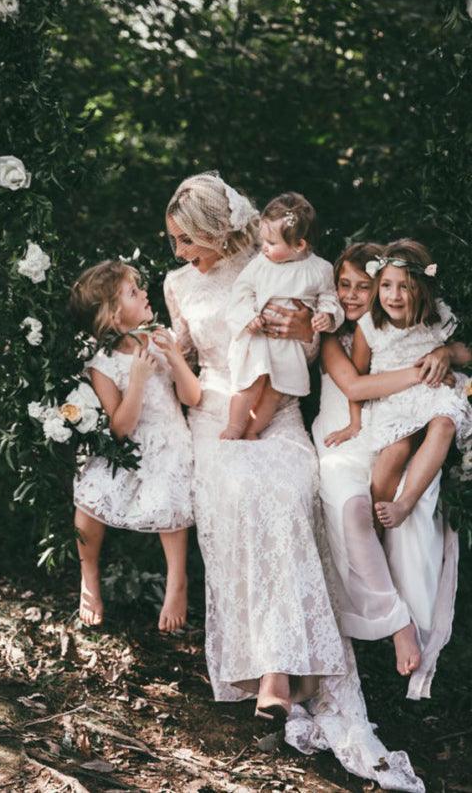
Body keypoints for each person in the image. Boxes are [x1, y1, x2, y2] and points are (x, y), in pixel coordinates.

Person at [164, 172, 423, 791]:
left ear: (215, 231)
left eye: (186, 240)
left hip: (278, 411)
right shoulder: (175, 285)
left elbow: (317, 347)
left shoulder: (278, 260)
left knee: (284, 496)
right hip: (214, 415)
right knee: (240, 495)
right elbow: (178, 353)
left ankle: (282, 671)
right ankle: (270, 668)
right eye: (173, 241)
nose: (178, 253)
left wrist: (304, 330)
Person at [313, 241, 467, 695]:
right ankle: (391, 620)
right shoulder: (337, 336)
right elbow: (357, 386)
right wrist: (429, 364)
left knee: (401, 471)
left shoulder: (417, 319)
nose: (356, 295)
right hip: (349, 432)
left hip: (396, 418)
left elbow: (455, 350)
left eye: (366, 286)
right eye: (346, 285)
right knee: (357, 506)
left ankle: (408, 620)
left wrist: (446, 354)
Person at [69, 259, 201, 632]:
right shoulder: (103, 364)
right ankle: (88, 575)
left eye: (139, 288)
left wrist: (173, 356)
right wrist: (138, 380)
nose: (144, 293)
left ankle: (177, 582)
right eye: (132, 292)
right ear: (114, 316)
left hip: (169, 442)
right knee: (88, 501)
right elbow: (120, 429)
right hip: (127, 450)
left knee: (170, 500)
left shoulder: (162, 338)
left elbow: (192, 396)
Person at [349, 239, 472, 530]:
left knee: (444, 424)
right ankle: (373, 530)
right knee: (396, 450)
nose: (394, 295)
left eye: (405, 286)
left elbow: (467, 350)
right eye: (387, 285)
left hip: (433, 394)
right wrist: (353, 422)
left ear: (422, 288)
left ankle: (405, 502)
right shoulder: (369, 328)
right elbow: (357, 381)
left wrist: (446, 352)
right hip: (393, 400)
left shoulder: (438, 317)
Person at [223, 192, 343, 439]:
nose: (264, 247)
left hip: (290, 346)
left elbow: (330, 298)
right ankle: (235, 427)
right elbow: (241, 293)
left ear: (299, 245)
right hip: (259, 336)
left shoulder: (320, 270)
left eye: (271, 242)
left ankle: (253, 430)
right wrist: (248, 318)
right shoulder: (260, 264)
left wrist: (328, 316)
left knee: (276, 391)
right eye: (263, 240)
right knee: (253, 381)